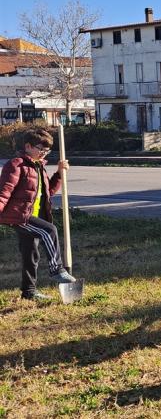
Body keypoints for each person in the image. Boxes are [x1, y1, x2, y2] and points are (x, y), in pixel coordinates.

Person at [0, 128, 75, 301]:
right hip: (20, 216)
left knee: (30, 254)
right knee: (49, 231)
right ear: (28, 146)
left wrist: (59, 174)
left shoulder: (38, 166)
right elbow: (4, 192)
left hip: (34, 216)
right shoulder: (16, 165)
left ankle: (29, 292)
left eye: (47, 150)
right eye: (41, 149)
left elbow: (48, 192)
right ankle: (57, 269)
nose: (44, 153)